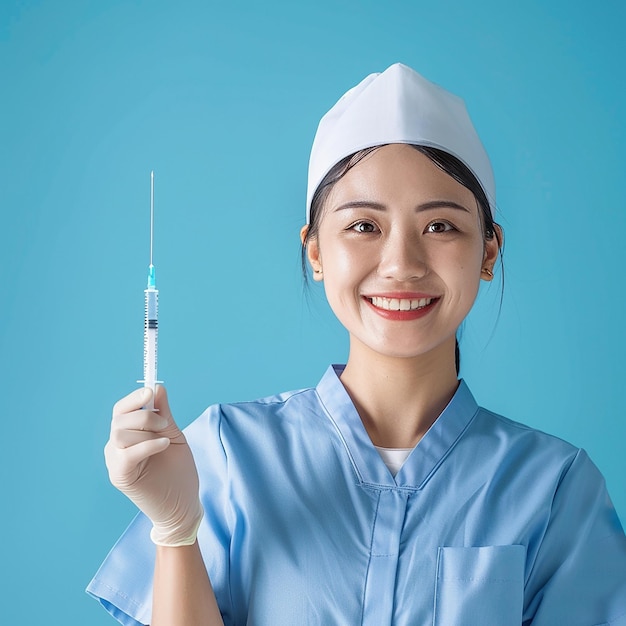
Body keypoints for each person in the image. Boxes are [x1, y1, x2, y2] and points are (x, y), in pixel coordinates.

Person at [88, 64, 626, 625]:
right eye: (364, 226)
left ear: (489, 251)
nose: (401, 265)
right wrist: (176, 531)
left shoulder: (556, 488)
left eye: (440, 226)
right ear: (316, 251)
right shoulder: (225, 455)